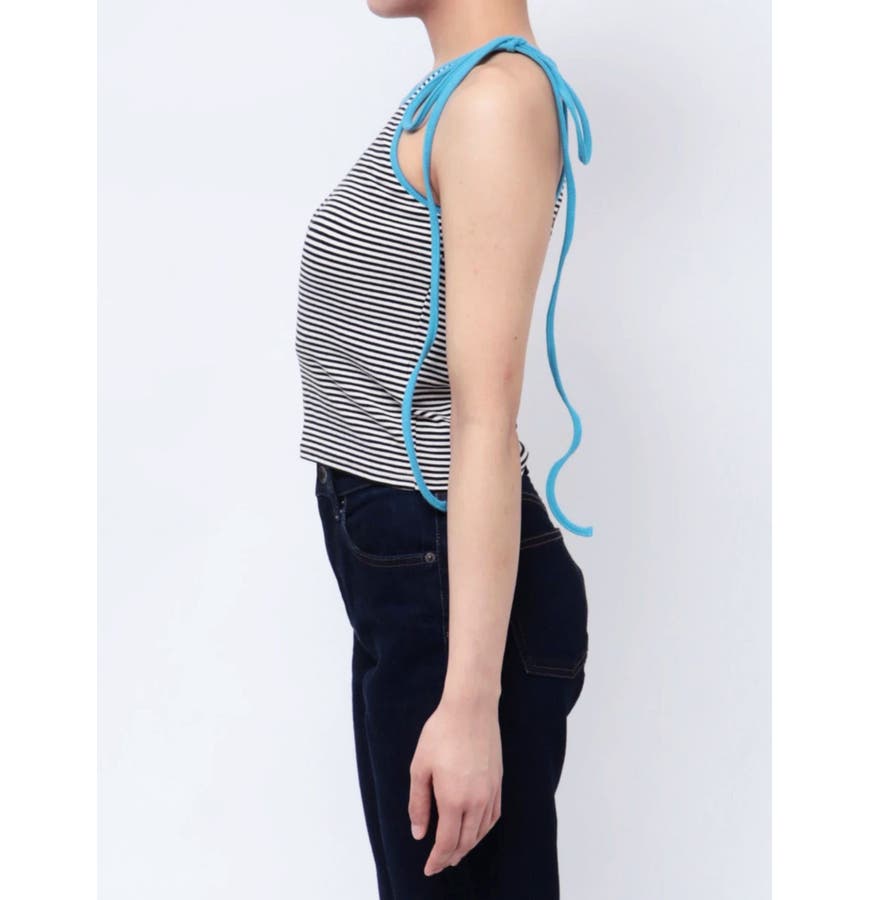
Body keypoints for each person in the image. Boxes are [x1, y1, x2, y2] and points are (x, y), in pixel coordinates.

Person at [294, 2, 592, 897]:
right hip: (412, 580)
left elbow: (484, 420)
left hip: (445, 583)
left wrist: (468, 701)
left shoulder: (497, 101)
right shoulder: (454, 94)